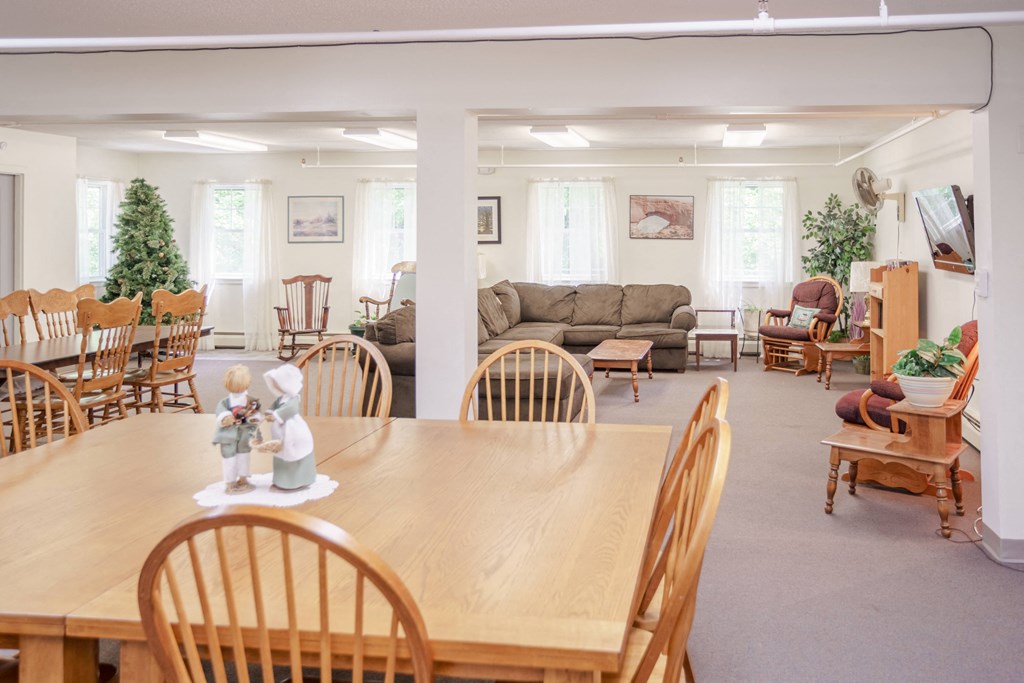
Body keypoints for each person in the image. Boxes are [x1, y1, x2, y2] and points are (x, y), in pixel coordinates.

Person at [260, 364, 316, 490]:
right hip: (281, 430)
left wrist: (276, 415)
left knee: (295, 451)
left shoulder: (293, 399)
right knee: (281, 453)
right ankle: (282, 479)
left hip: (292, 429)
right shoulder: (281, 399)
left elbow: (291, 409)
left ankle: (297, 480)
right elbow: (273, 407)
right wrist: (269, 412)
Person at [211, 364, 262, 494]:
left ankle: (243, 478)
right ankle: (230, 482)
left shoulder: (251, 401)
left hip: (244, 434)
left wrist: (253, 418)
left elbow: (257, 415)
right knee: (229, 457)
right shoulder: (225, 402)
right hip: (228, 435)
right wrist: (226, 418)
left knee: (243, 455)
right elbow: (220, 412)